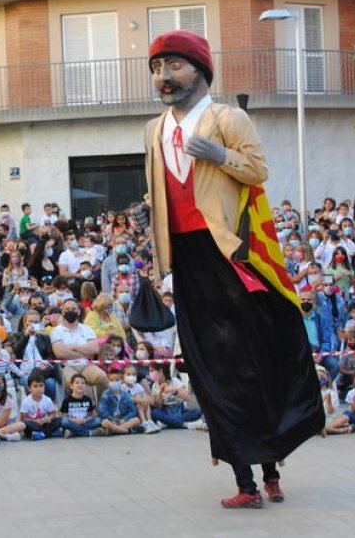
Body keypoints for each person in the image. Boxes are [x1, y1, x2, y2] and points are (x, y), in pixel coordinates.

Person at [140, 30, 321, 510]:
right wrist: (149, 213)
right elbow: (161, 190)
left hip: (231, 255)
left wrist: (221, 156)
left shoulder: (228, 118)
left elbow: (258, 171)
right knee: (213, 372)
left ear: (200, 70)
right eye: (157, 68)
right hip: (187, 261)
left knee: (255, 362)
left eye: (174, 65)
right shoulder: (153, 130)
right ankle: (245, 481)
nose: (163, 76)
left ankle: (271, 470)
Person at [20, 373, 61, 440]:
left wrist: (48, 418)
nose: (39, 389)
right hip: (34, 424)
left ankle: (41, 434)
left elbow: (53, 414)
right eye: (35, 386)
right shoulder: (26, 401)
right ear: (29, 388)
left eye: (41, 386)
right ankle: (48, 433)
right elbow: (23, 418)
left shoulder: (48, 400)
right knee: (25, 424)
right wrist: (35, 420)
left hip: (44, 423)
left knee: (59, 420)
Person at [59, 374, 96, 438]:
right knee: (64, 422)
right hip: (72, 422)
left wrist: (85, 420)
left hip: (84, 422)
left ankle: (73, 432)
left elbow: (91, 415)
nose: (80, 385)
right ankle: (88, 432)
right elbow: (64, 416)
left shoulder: (88, 399)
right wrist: (74, 420)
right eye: (77, 383)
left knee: (98, 420)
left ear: (85, 386)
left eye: (82, 383)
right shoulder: (67, 400)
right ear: (71, 386)